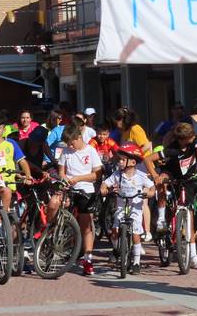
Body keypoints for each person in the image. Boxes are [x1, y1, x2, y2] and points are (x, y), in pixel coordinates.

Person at [145, 122, 197, 270]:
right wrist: (155, 175)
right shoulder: (172, 149)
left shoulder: (195, 142)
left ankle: (193, 256)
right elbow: (148, 159)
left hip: (188, 178)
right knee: (162, 181)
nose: (193, 138)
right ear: (181, 139)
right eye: (189, 138)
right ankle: (161, 217)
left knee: (190, 216)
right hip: (172, 173)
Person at [50, 124, 102, 276]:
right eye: (68, 144)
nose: (70, 146)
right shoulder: (66, 151)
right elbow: (61, 171)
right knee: (54, 203)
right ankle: (51, 234)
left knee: (86, 225)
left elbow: (96, 174)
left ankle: (88, 259)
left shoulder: (90, 151)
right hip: (68, 188)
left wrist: (79, 178)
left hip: (85, 189)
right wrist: (64, 178)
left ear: (79, 137)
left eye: (72, 143)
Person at [100, 143, 156, 274]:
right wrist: (103, 188)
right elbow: (106, 182)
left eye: (122, 160)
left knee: (136, 234)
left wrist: (150, 192)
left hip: (135, 208)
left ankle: (136, 262)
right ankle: (117, 249)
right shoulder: (117, 174)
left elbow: (152, 187)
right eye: (119, 159)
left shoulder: (141, 175)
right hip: (121, 206)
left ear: (132, 161)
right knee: (114, 232)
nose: (119, 162)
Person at [114, 106, 154, 240]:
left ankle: (147, 231)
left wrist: (135, 157)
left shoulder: (135, 129)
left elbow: (147, 145)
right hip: (130, 165)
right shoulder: (124, 132)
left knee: (142, 200)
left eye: (118, 120)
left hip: (142, 165)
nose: (116, 124)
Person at [0, 114, 32, 208]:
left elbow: (22, 162)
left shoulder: (11, 143)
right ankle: (0, 221)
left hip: (12, 184)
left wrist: (28, 176)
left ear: (4, 130)